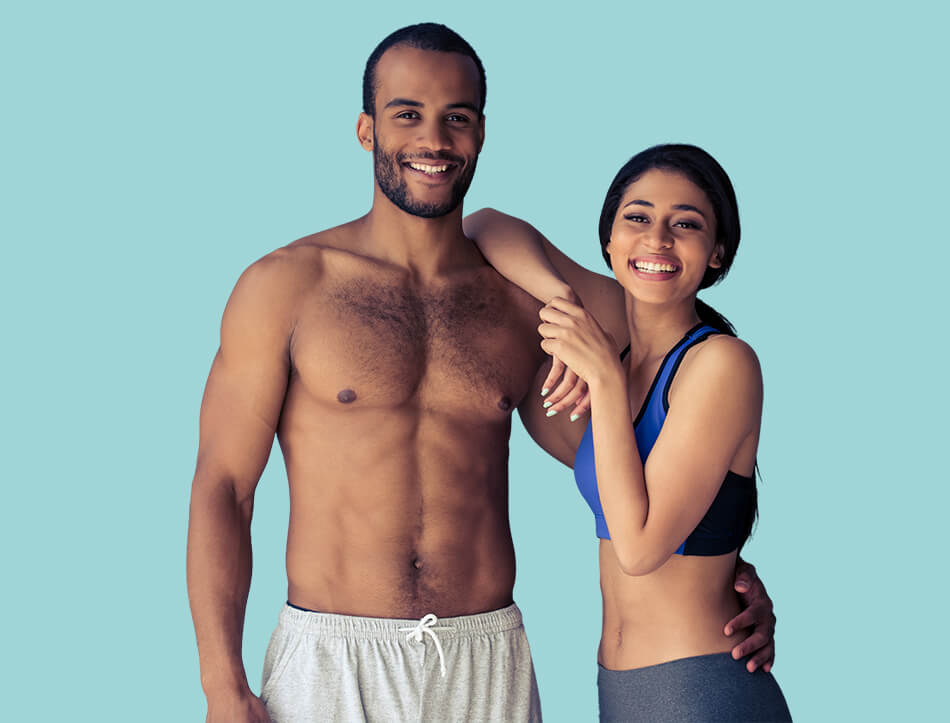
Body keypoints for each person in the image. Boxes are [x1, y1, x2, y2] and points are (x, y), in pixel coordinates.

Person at [186, 22, 778, 723]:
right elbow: (224, 486)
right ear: (366, 129)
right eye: (407, 114)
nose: (433, 140)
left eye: (457, 118)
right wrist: (221, 683)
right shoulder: (285, 287)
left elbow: (628, 472)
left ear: (481, 134)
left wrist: (719, 565)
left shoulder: (518, 307)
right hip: (333, 659)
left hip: (485, 661)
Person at [465, 144, 792, 721]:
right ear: (610, 239)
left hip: (701, 690)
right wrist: (563, 302)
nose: (657, 240)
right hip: (621, 693)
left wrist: (603, 378)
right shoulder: (612, 335)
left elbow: (638, 549)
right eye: (638, 217)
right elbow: (485, 225)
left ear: (717, 252)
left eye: (686, 224)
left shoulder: (721, 363)